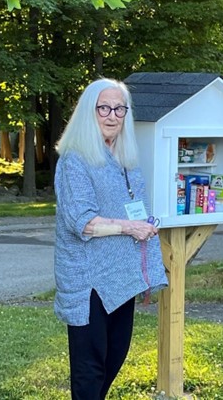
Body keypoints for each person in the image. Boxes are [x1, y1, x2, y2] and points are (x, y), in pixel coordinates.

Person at [53, 78, 168, 400]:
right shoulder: (75, 159)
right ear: (89, 112)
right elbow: (83, 223)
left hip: (120, 278)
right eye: (104, 107)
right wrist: (131, 228)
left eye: (119, 108)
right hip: (88, 280)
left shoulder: (125, 160)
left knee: (114, 358)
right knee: (90, 369)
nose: (112, 115)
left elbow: (137, 210)